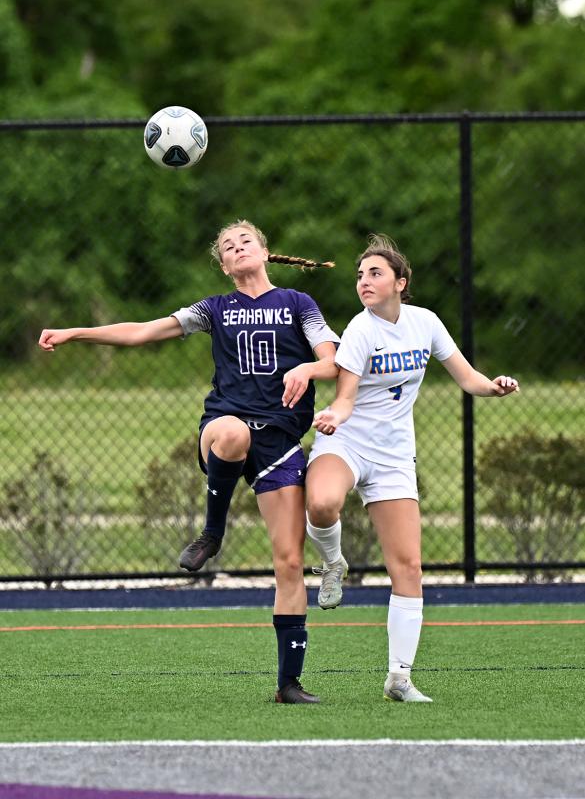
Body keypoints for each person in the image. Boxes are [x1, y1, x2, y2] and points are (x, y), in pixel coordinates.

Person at [39, 220, 340, 705]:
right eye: (227, 246)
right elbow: (142, 331)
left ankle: (289, 683)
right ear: (224, 266)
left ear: (265, 252)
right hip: (224, 427)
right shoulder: (215, 309)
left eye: (245, 241)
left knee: (289, 562)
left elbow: (333, 360)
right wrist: (77, 332)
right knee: (232, 431)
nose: (237, 248)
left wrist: (307, 366)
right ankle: (212, 533)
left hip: (281, 439)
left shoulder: (297, 304)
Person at [304, 234, 519, 703]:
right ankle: (332, 561)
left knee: (408, 566)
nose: (364, 280)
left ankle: (399, 679)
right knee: (321, 504)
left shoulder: (426, 323)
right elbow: (345, 397)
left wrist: (495, 386)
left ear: (401, 282)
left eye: (375, 273)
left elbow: (467, 377)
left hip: (394, 455)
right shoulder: (360, 330)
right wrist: (334, 418)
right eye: (360, 274)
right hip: (347, 442)